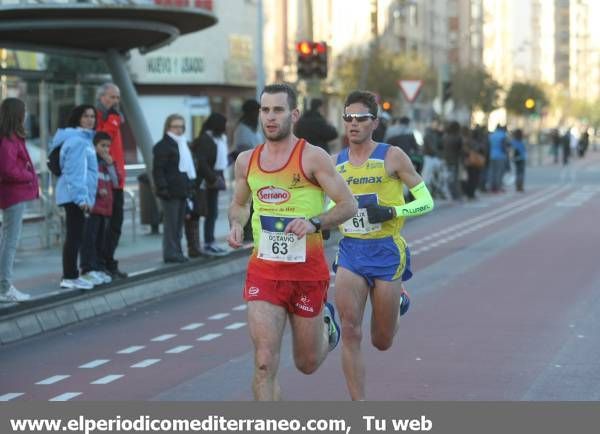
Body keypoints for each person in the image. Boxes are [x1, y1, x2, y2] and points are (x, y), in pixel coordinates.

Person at [227, 83, 357, 401]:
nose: (270, 117)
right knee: (263, 363)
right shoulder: (246, 161)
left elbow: (348, 205)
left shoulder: (313, 157)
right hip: (264, 272)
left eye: (278, 110)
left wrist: (315, 222)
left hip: (306, 273)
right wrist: (235, 224)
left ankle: (327, 326)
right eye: (265, 110)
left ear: (294, 114)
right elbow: (241, 204)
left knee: (307, 363)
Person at [331, 90, 434, 401]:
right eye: (348, 117)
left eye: (361, 118)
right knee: (351, 331)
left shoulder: (392, 156)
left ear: (374, 122)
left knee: (382, 340)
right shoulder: (334, 163)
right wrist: (319, 224)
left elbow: (427, 201)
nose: (353, 124)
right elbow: (326, 204)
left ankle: (398, 299)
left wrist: (393, 211)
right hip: (351, 252)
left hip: (387, 251)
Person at [49, 105, 99, 290]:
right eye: (85, 116)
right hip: (75, 196)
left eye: (93, 116)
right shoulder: (77, 141)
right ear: (77, 118)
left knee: (76, 236)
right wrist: (81, 199)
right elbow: (75, 172)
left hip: (78, 195)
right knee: (74, 236)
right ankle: (69, 276)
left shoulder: (83, 139)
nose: (90, 119)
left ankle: (72, 274)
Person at [0, 98, 38, 303]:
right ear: (17, 114)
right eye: (23, 111)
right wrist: (28, 175)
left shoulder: (11, 137)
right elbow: (7, 169)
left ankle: (4, 285)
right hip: (13, 193)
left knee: (7, 239)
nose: (25, 115)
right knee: (10, 241)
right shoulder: (9, 139)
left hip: (12, 193)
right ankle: (5, 287)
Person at [153, 114, 196, 263]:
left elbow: (187, 169)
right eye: (175, 126)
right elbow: (158, 170)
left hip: (182, 190)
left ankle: (177, 251)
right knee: (171, 226)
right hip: (170, 192)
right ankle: (170, 253)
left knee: (178, 225)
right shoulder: (163, 146)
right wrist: (163, 188)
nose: (179, 130)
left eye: (181, 126)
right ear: (168, 127)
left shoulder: (182, 143)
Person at [96, 83, 128, 279]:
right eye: (111, 97)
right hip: (103, 180)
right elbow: (103, 140)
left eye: (117, 98)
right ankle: (99, 264)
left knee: (116, 224)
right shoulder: (101, 118)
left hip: (117, 180)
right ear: (101, 97)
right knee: (102, 226)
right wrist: (112, 121)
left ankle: (108, 261)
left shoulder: (115, 118)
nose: (115, 101)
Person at [80, 132, 119, 284]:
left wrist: (110, 165)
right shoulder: (91, 161)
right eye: (102, 146)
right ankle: (88, 268)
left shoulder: (108, 163)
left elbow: (116, 182)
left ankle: (98, 267)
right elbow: (86, 180)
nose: (106, 149)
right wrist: (97, 191)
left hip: (106, 208)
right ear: (94, 146)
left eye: (108, 146)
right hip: (94, 207)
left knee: (101, 240)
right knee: (90, 238)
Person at [190, 113, 229, 256]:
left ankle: (210, 241)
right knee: (205, 212)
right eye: (224, 124)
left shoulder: (220, 139)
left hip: (214, 178)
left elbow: (220, 160)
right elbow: (203, 163)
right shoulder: (205, 139)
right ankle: (206, 243)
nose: (226, 127)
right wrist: (213, 179)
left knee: (212, 212)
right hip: (206, 181)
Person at [233, 99, 263, 243]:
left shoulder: (253, 128)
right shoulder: (242, 129)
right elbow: (244, 152)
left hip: (258, 170)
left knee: (255, 203)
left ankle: (251, 230)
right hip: (249, 171)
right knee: (245, 202)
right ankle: (246, 231)